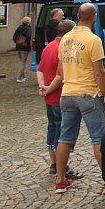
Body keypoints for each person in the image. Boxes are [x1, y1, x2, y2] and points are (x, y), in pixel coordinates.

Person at [53, 3, 105, 193]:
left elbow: (61, 69)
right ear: (93, 17)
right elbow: (99, 72)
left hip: (67, 93)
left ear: (78, 16)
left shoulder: (65, 39)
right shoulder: (93, 40)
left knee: (65, 137)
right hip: (88, 93)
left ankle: (60, 180)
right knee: (98, 138)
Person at [37, 19, 80, 178]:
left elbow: (40, 70)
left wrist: (43, 87)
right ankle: (63, 167)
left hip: (49, 98)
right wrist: (49, 88)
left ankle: (54, 163)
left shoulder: (48, 47)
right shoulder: (65, 48)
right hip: (60, 96)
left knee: (52, 129)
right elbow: (60, 75)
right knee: (64, 134)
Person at [13, 16, 32, 82]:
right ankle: (19, 77)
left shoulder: (19, 28)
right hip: (25, 47)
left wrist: (18, 42)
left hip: (18, 47)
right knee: (23, 63)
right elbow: (29, 36)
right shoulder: (28, 29)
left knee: (21, 62)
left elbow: (14, 37)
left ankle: (23, 77)